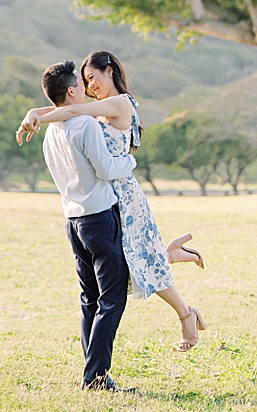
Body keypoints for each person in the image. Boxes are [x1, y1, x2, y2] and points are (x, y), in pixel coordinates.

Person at [19, 51, 207, 352]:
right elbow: (67, 107)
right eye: (85, 82)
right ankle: (171, 256)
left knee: (138, 261)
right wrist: (35, 113)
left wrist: (37, 116)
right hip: (104, 195)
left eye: (92, 78)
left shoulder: (120, 103)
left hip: (124, 194)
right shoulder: (95, 109)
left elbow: (68, 111)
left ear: (109, 71)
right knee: (134, 261)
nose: (90, 87)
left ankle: (185, 313)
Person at [32, 61, 140, 391]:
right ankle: (95, 376)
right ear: (72, 91)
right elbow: (108, 169)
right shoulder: (86, 126)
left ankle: (94, 374)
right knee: (112, 298)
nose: (87, 89)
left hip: (73, 220)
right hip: (100, 218)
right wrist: (131, 161)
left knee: (90, 299)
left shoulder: (52, 133)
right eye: (82, 83)